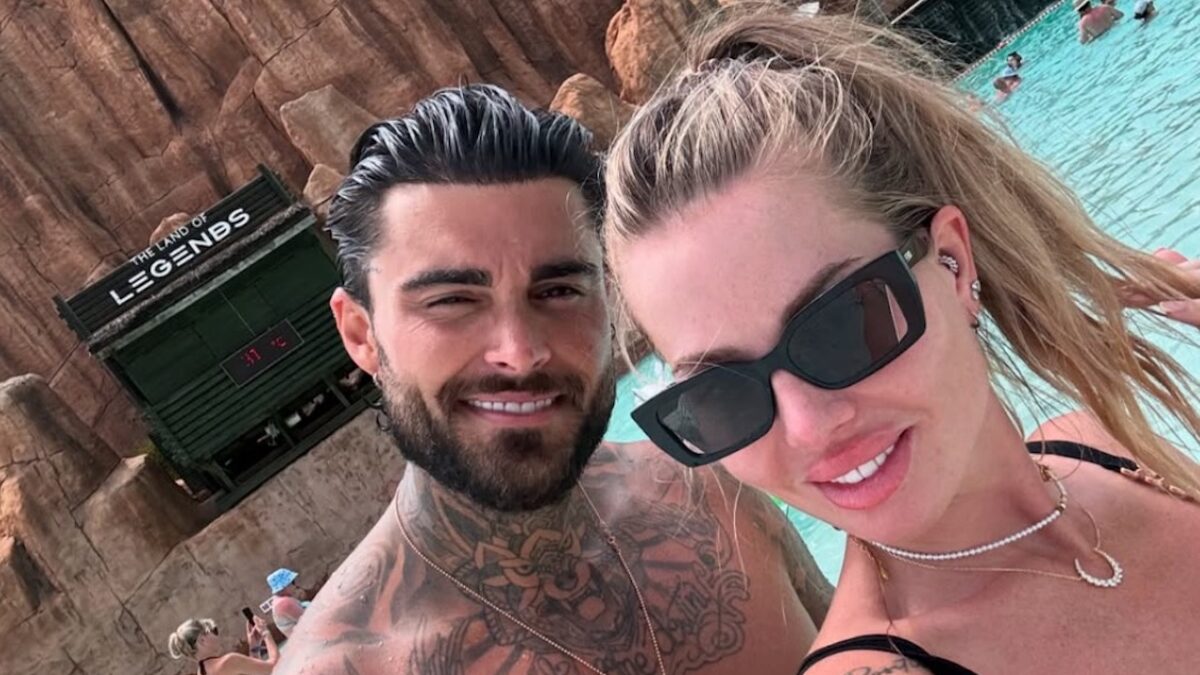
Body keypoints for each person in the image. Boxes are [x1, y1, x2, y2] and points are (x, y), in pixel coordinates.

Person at [602, 6, 1200, 674]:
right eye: (720, 396)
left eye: (843, 323)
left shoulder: (1107, 446)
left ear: (953, 263)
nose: (808, 426)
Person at [273, 84, 832, 674]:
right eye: (452, 300)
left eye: (559, 290)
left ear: (609, 298)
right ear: (361, 335)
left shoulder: (711, 493)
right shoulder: (345, 666)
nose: (520, 353)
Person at [168, 617, 278, 674]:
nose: (217, 634)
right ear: (202, 640)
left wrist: (254, 646)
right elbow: (275, 667)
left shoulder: (202, 672)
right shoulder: (229, 661)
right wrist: (265, 633)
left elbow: (256, 673)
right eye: (213, 631)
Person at [266, 567, 309, 637]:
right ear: (285, 586)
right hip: (305, 637)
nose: (295, 586)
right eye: (293, 582)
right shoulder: (284, 603)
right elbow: (308, 618)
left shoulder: (278, 600)